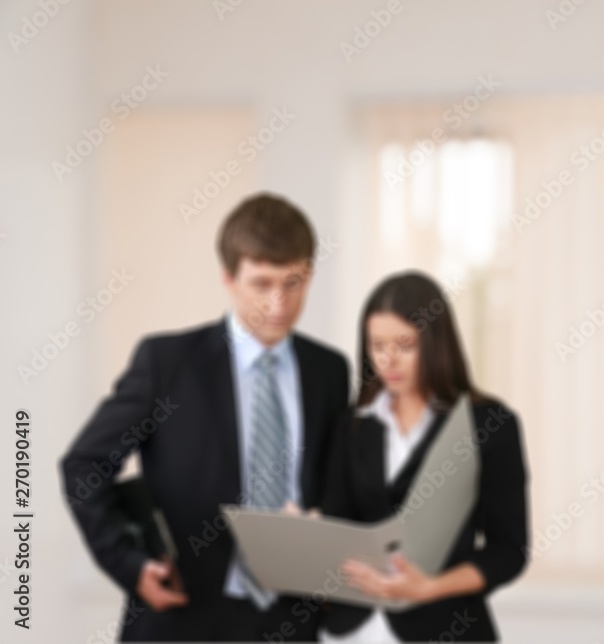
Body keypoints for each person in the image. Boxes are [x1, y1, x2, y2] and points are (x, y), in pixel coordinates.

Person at [61, 193, 350, 641]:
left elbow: (333, 483)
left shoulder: (328, 371)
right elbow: (84, 464)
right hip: (183, 618)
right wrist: (130, 565)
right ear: (229, 279)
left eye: (293, 283)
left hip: (290, 621)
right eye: (262, 284)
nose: (279, 303)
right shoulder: (167, 364)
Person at [318, 271, 528, 642]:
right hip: (354, 630)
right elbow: (336, 525)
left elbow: (508, 550)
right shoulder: (350, 425)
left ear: (435, 343)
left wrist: (429, 587)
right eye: (377, 345)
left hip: (446, 625)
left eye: (405, 345)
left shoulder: (489, 425)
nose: (389, 360)